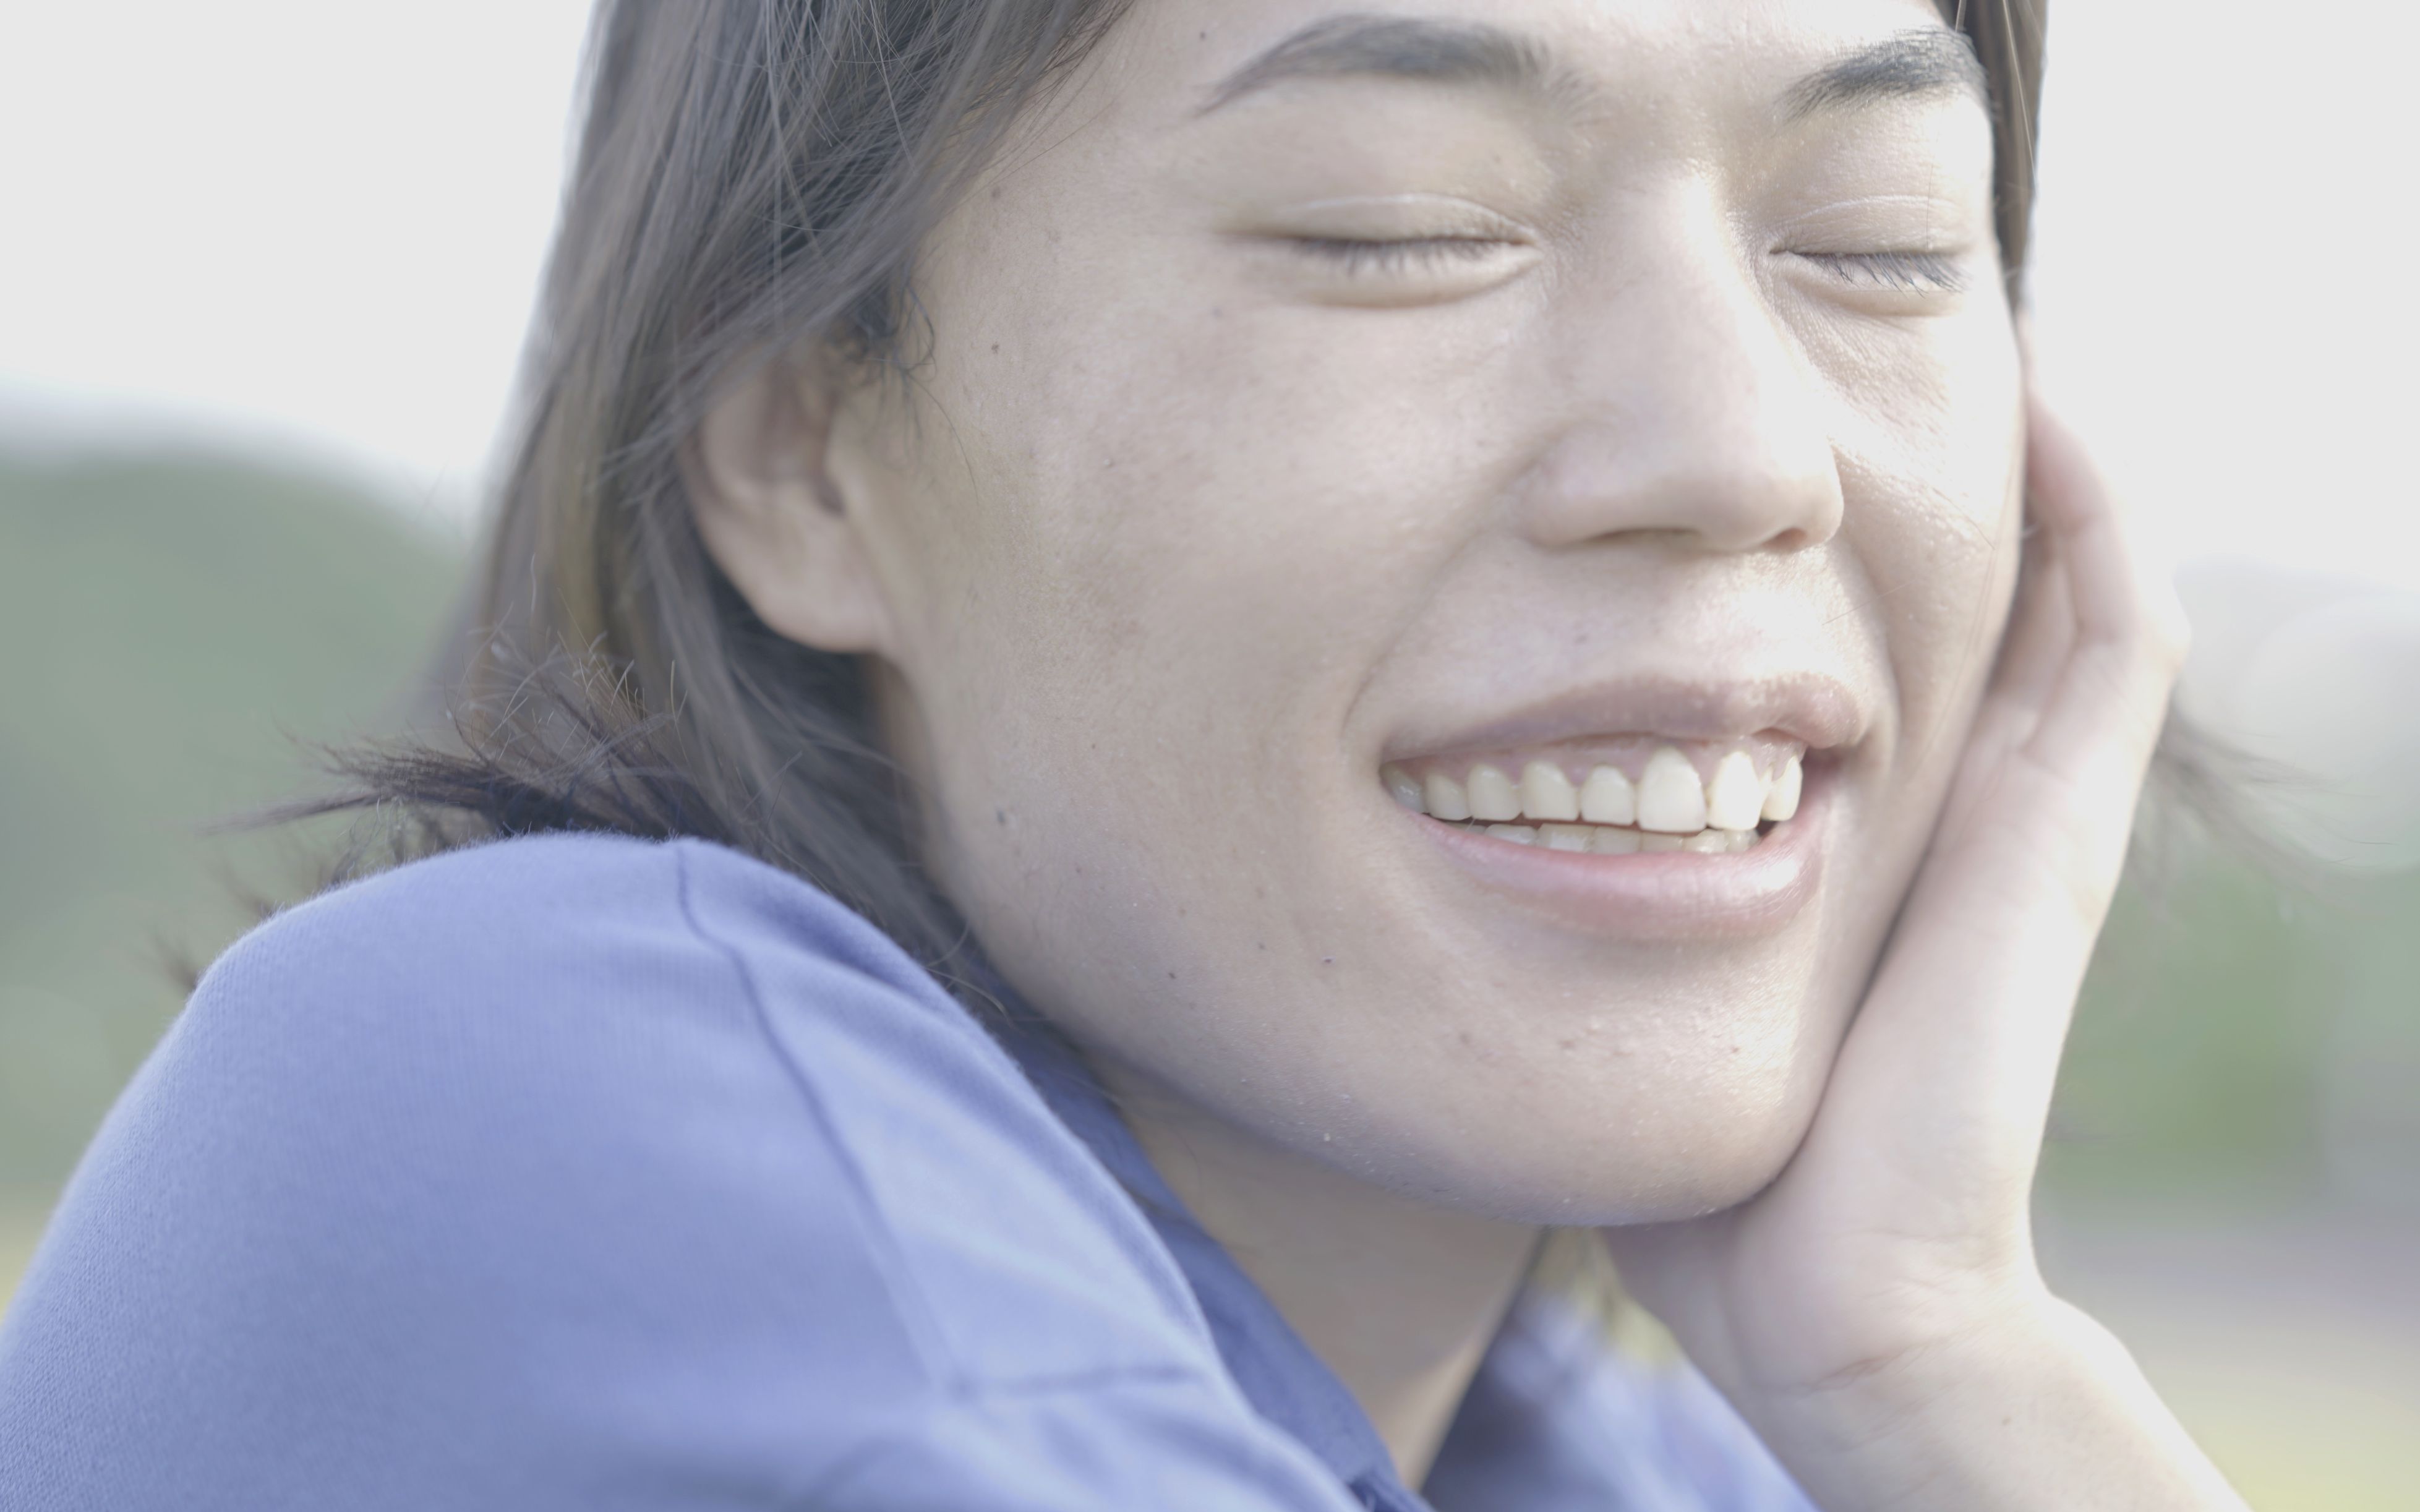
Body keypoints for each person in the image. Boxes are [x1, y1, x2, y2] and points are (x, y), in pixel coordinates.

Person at [0, 1, 2251, 1507]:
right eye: (1402, 235)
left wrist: (1938, 1365)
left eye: (1872, 248)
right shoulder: (545, 1098)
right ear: (804, 449)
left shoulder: (1627, 1446)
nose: (1741, 450)